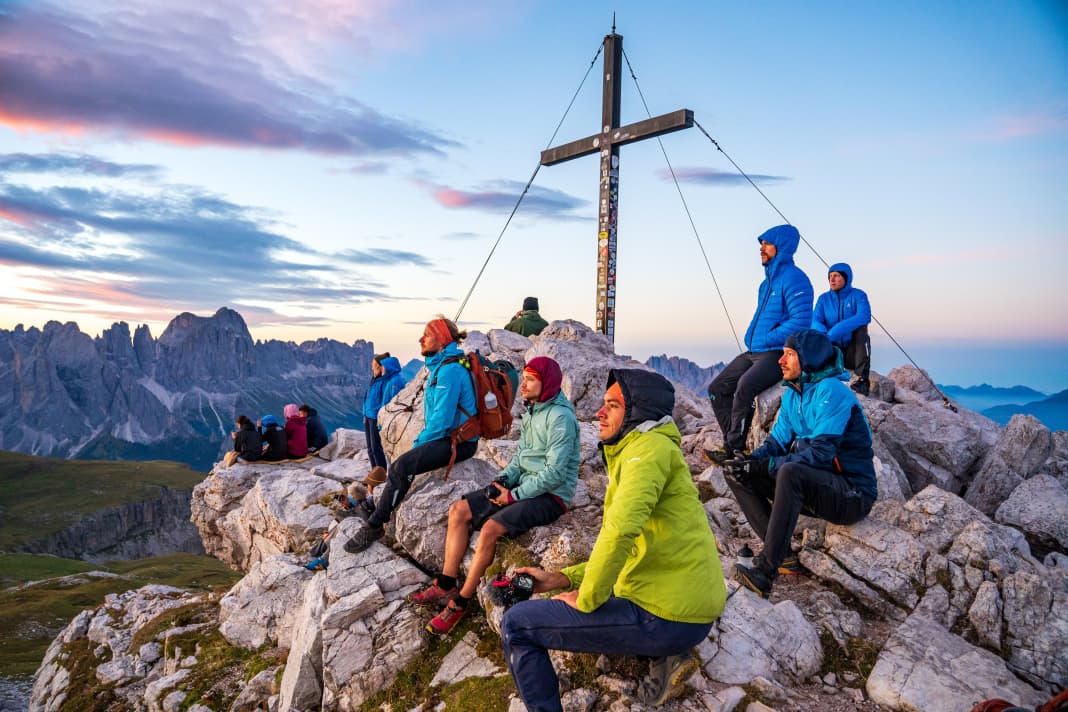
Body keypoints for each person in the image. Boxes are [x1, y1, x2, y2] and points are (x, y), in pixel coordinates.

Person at [500, 369, 727, 711]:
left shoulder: (645, 452)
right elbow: (633, 550)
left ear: (637, 412)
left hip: (668, 615)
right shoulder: (649, 448)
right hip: (680, 606)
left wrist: (587, 598)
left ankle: (662, 647)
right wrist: (562, 578)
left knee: (517, 624)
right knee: (605, 594)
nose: (599, 413)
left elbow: (620, 533)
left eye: (613, 405)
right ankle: (666, 655)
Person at [408, 356, 580, 636]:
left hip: (551, 496)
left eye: (530, 379)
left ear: (546, 383)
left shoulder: (560, 418)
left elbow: (555, 474)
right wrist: (502, 481)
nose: (522, 384)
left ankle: (460, 603)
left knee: (489, 529)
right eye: (523, 377)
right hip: (525, 485)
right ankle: (446, 581)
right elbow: (521, 456)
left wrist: (513, 497)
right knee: (458, 511)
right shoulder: (535, 409)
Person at [724, 329, 877, 599]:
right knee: (737, 473)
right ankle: (784, 556)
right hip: (816, 488)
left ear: (809, 359)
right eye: (783, 354)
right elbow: (776, 443)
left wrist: (763, 467)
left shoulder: (831, 393)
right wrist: (749, 462)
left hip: (851, 494)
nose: (781, 361)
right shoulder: (794, 394)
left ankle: (764, 573)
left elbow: (820, 455)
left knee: (789, 471)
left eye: (790, 355)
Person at [344, 317, 478, 554]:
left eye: (426, 334)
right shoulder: (442, 366)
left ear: (442, 339)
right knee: (403, 466)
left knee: (400, 466)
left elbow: (442, 421)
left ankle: (374, 525)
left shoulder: (450, 371)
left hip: (459, 442)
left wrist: (418, 445)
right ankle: (378, 509)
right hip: (450, 438)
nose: (420, 339)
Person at [706, 224, 813, 462]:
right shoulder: (766, 284)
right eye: (761, 244)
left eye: (766, 244)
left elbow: (801, 321)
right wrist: (753, 338)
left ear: (781, 246)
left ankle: (733, 449)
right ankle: (734, 444)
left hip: (777, 352)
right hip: (755, 351)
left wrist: (767, 338)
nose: (761, 249)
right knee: (717, 389)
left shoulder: (795, 279)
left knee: (745, 386)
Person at [811, 262, 872, 396]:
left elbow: (864, 315)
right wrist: (824, 334)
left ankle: (862, 380)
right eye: (830, 276)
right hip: (834, 351)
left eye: (837, 276)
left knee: (861, 332)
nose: (832, 279)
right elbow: (815, 320)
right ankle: (820, 376)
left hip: (853, 353)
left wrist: (836, 330)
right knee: (815, 334)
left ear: (846, 278)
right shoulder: (824, 299)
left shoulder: (858, 295)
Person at [361, 353, 407, 490]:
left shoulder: (385, 381)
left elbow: (384, 401)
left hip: (376, 417)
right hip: (369, 416)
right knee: (370, 449)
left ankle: (381, 475)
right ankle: (374, 473)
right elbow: (368, 398)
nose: (372, 368)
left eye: (374, 365)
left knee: (376, 448)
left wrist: (381, 418)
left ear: (381, 366)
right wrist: (364, 413)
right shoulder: (374, 380)